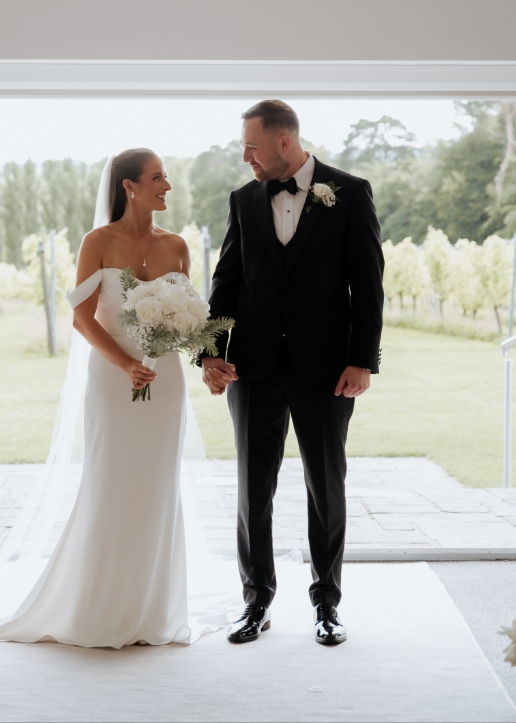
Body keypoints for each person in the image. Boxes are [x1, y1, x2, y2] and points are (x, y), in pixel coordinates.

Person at [0, 148, 218, 647]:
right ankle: (99, 606)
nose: (166, 185)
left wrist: (209, 359)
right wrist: (126, 362)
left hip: (163, 382)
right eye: (157, 178)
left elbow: (191, 318)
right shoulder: (97, 241)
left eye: (165, 177)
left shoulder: (177, 246)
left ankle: (152, 610)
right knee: (111, 482)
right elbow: (82, 316)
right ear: (129, 186)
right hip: (113, 379)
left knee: (158, 487)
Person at [201, 100, 384, 646]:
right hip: (251, 367)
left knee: (325, 485)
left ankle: (327, 604)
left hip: (327, 367)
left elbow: (368, 285)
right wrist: (210, 352)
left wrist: (362, 359)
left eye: (251, 147)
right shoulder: (242, 200)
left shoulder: (349, 192)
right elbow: (226, 281)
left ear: (283, 143)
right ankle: (255, 602)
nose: (245, 158)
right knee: (253, 488)